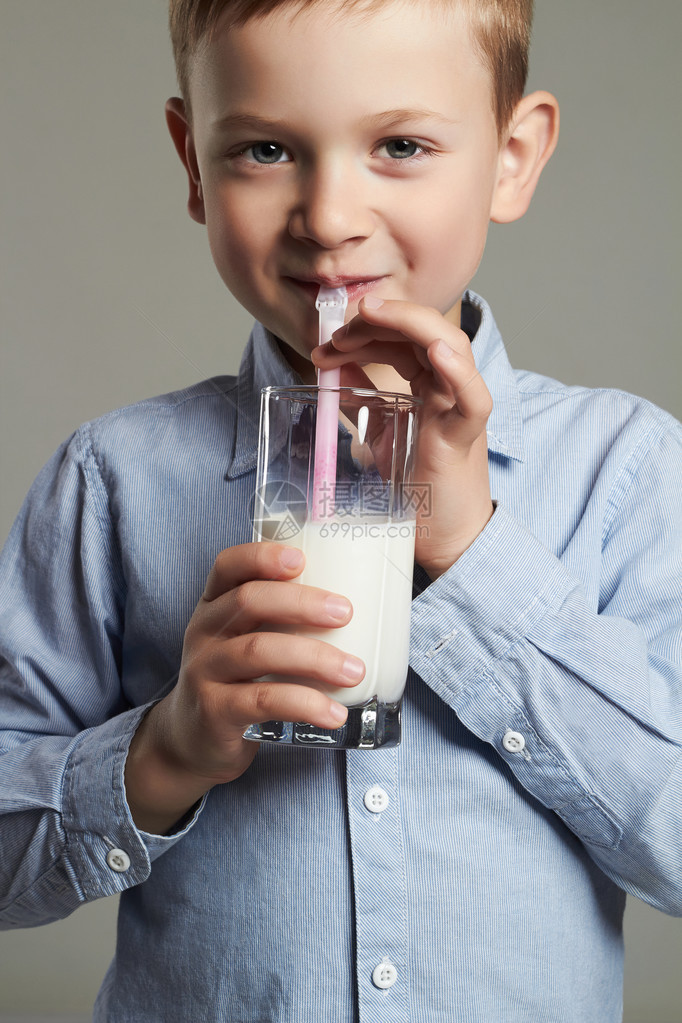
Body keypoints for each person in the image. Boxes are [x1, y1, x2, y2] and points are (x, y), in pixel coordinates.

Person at [0, 0, 680, 1019]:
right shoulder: (111, 481)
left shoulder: (624, 470)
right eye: (266, 149)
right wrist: (165, 753)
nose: (327, 215)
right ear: (192, 161)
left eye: (400, 144)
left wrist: (468, 548)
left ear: (512, 156)